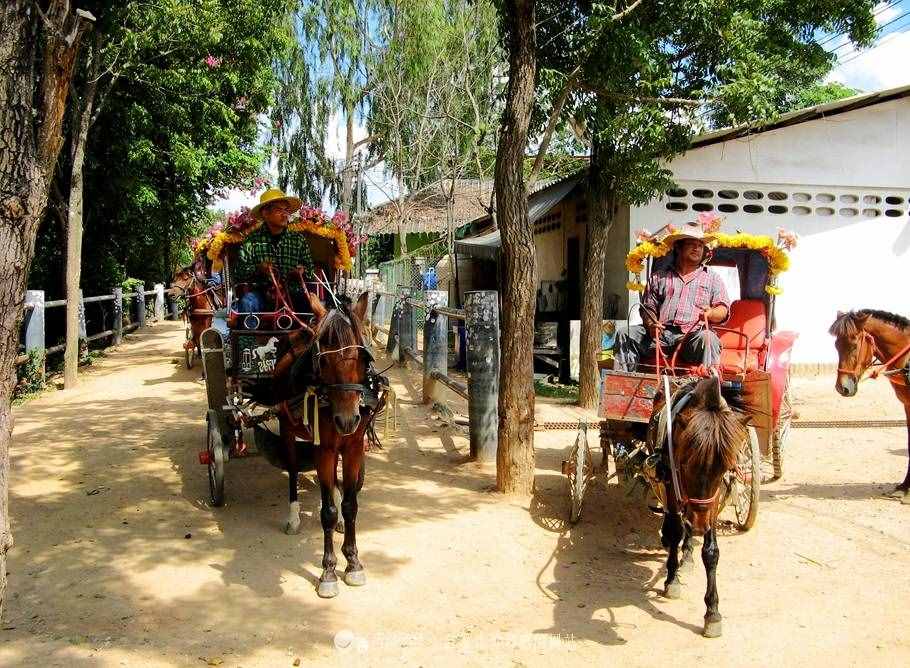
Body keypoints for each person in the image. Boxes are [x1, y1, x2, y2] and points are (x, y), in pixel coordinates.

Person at [614, 223, 729, 372]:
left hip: (691, 337)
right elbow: (648, 307)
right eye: (691, 244)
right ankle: (623, 386)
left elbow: (723, 309)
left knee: (709, 338)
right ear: (678, 247)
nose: (697, 248)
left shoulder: (713, 278)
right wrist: (651, 325)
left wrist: (711, 313)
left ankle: (709, 387)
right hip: (659, 336)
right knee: (625, 333)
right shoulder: (659, 277)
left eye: (700, 245)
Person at [234, 188, 315, 315]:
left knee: (312, 304)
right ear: (265, 213)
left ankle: (309, 335)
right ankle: (247, 335)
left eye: (286, 210)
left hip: (293, 293)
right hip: (261, 294)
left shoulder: (298, 240)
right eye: (279, 210)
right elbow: (238, 273)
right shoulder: (251, 240)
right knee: (247, 303)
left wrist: (302, 271)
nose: (285, 215)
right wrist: (258, 269)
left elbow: (310, 270)